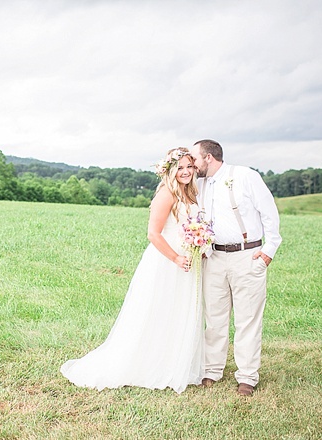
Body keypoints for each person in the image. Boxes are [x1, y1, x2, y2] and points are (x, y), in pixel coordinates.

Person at [60, 148, 206, 394]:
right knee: (157, 311)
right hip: (166, 261)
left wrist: (198, 245)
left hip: (187, 261)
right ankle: (149, 363)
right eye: (179, 168)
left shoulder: (189, 193)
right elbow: (153, 234)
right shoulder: (166, 194)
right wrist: (176, 258)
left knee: (177, 311)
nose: (185, 172)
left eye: (189, 167)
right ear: (169, 170)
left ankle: (172, 361)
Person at [190, 139, 282, 397]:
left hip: (248, 256)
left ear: (208, 157)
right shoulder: (199, 184)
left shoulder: (245, 176)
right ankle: (212, 370)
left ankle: (247, 377)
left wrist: (268, 252)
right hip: (214, 257)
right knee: (215, 319)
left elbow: (269, 213)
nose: (193, 165)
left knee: (247, 319)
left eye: (195, 159)